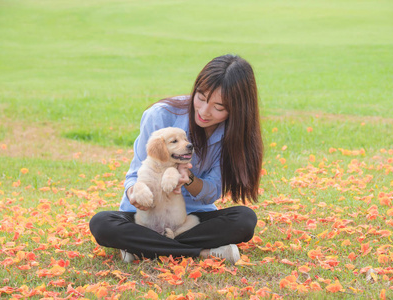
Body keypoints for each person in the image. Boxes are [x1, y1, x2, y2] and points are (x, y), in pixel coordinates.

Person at [89, 54, 263, 264]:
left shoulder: (232, 135)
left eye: (218, 108)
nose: (204, 112)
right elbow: (136, 175)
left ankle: (142, 248)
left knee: (244, 220)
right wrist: (136, 194)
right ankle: (202, 252)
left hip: (190, 219)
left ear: (237, 109)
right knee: (101, 224)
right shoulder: (160, 116)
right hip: (144, 217)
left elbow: (210, 194)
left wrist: (188, 178)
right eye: (200, 97)